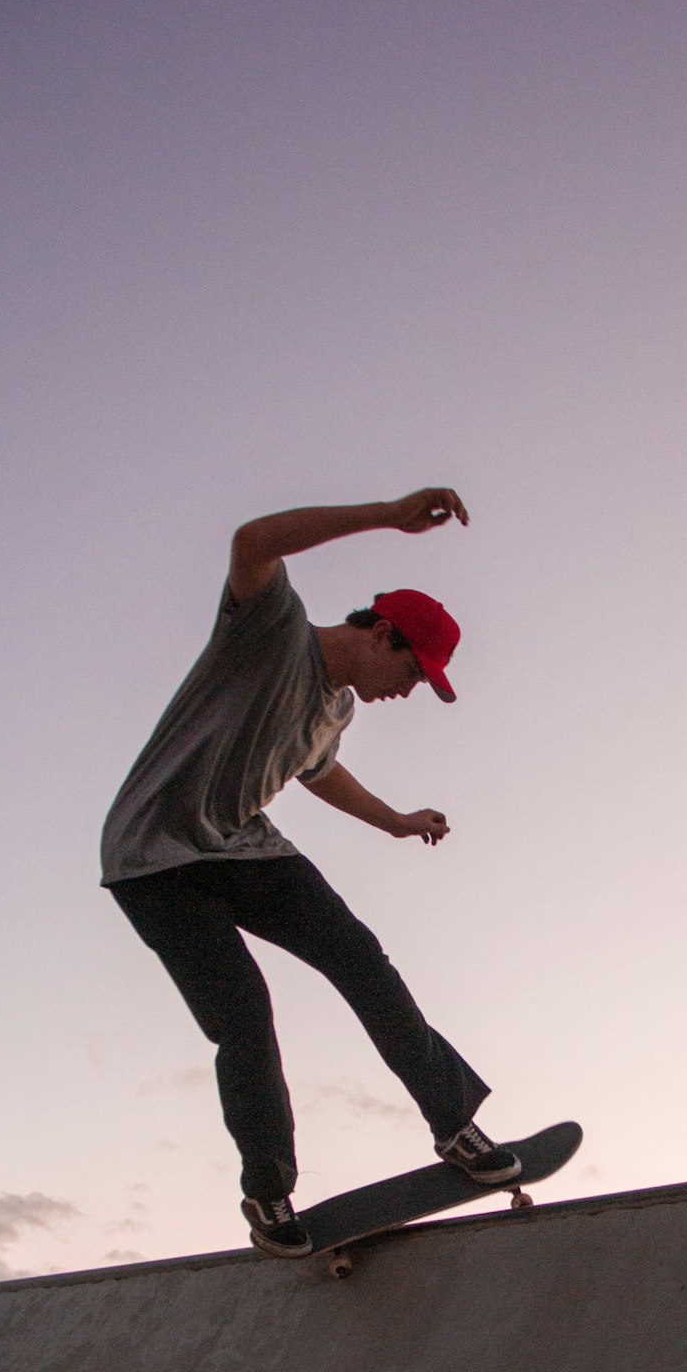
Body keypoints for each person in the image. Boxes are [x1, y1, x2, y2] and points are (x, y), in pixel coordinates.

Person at [101, 487, 520, 1258]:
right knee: (245, 1011)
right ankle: (268, 1193)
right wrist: (388, 516)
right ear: (382, 632)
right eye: (414, 670)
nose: (410, 690)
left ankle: (454, 1124)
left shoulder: (337, 708)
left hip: (242, 847)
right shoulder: (271, 629)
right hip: (153, 858)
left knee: (360, 958)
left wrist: (394, 820)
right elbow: (253, 538)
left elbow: (319, 772)